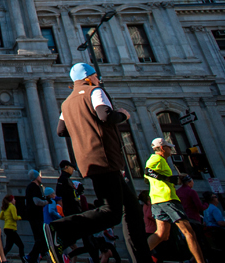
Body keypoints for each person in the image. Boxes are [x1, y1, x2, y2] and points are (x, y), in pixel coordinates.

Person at [45, 62, 152, 263]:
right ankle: (59, 229)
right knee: (111, 213)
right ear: (88, 78)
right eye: (95, 76)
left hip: (88, 162)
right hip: (105, 158)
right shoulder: (95, 91)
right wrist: (123, 115)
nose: (98, 79)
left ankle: (142, 257)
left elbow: (61, 131)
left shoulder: (67, 103)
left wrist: (82, 129)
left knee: (132, 209)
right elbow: (105, 115)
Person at [143, 137, 206, 263]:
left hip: (157, 200)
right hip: (168, 199)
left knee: (162, 234)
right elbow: (148, 172)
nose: (171, 150)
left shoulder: (160, 161)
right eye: (168, 147)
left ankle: (139, 256)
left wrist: (172, 179)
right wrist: (168, 180)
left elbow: (148, 178)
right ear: (162, 148)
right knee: (189, 232)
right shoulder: (157, 158)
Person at [23, 170, 49, 263]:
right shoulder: (34, 187)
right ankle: (31, 256)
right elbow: (36, 201)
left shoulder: (31, 187)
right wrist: (47, 202)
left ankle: (34, 258)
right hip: (35, 215)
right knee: (41, 237)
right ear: (36, 177)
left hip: (32, 215)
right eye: (39, 176)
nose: (40, 177)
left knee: (39, 237)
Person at [0, 194, 25, 261]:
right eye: (13, 199)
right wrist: (20, 217)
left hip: (6, 228)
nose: (15, 200)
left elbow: (1, 217)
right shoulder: (12, 207)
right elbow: (15, 217)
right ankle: (23, 259)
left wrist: (7, 218)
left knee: (8, 247)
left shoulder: (5, 207)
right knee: (21, 245)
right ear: (11, 200)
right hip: (11, 228)